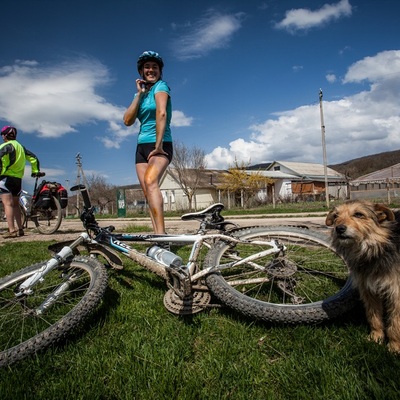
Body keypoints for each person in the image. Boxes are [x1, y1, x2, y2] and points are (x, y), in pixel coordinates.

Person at [123, 51, 173, 235]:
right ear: (141, 71)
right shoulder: (143, 94)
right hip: (141, 148)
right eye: (147, 67)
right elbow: (127, 121)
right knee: (147, 191)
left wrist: (159, 146)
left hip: (160, 143)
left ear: (160, 70)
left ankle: (161, 237)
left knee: (151, 181)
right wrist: (138, 94)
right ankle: (157, 235)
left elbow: (161, 113)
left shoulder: (161, 86)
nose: (151, 70)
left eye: (154, 67)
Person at [0, 126, 40, 238]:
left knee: (8, 204)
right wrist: (35, 171)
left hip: (5, 178)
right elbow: (34, 158)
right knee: (16, 205)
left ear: (4, 135)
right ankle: (20, 229)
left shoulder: (5, 146)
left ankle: (12, 231)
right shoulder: (21, 148)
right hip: (18, 179)